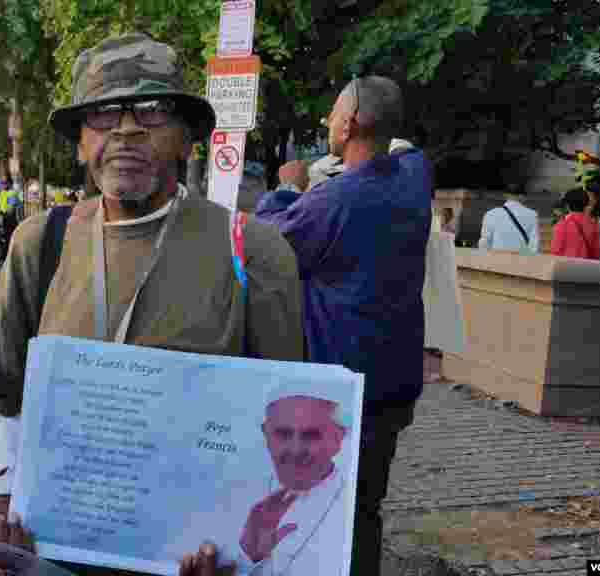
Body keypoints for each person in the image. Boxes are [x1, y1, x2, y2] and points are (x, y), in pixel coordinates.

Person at [0, 32, 304, 556]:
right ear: (81, 142)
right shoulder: (39, 243)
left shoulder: (251, 250)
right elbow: (7, 397)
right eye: (103, 114)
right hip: (56, 545)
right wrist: (4, 491)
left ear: (187, 137)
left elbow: (282, 421)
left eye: (151, 110)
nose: (125, 128)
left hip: (191, 550)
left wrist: (245, 550)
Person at [256, 76, 431, 576]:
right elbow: (397, 158)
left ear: (351, 122)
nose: (327, 120)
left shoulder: (336, 200)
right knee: (368, 510)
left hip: (341, 390)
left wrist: (288, 187)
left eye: (334, 112)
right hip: (394, 384)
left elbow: (271, 243)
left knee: (327, 516)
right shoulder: (415, 177)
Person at [237, 395, 349, 576]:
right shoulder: (233, 497)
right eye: (283, 434)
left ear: (338, 439)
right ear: (266, 434)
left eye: (312, 435)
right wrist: (250, 559)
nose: (296, 450)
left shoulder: (353, 504)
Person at [478, 183, 539, 254]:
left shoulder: (491, 214)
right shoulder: (532, 215)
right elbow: (534, 244)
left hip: (496, 260)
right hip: (521, 260)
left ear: (505, 195)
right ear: (522, 196)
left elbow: (484, 242)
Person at [551, 187, 600, 259]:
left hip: (567, 267)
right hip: (588, 266)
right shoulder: (593, 224)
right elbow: (596, 252)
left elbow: (555, 251)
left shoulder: (561, 225)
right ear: (586, 204)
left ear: (567, 205)